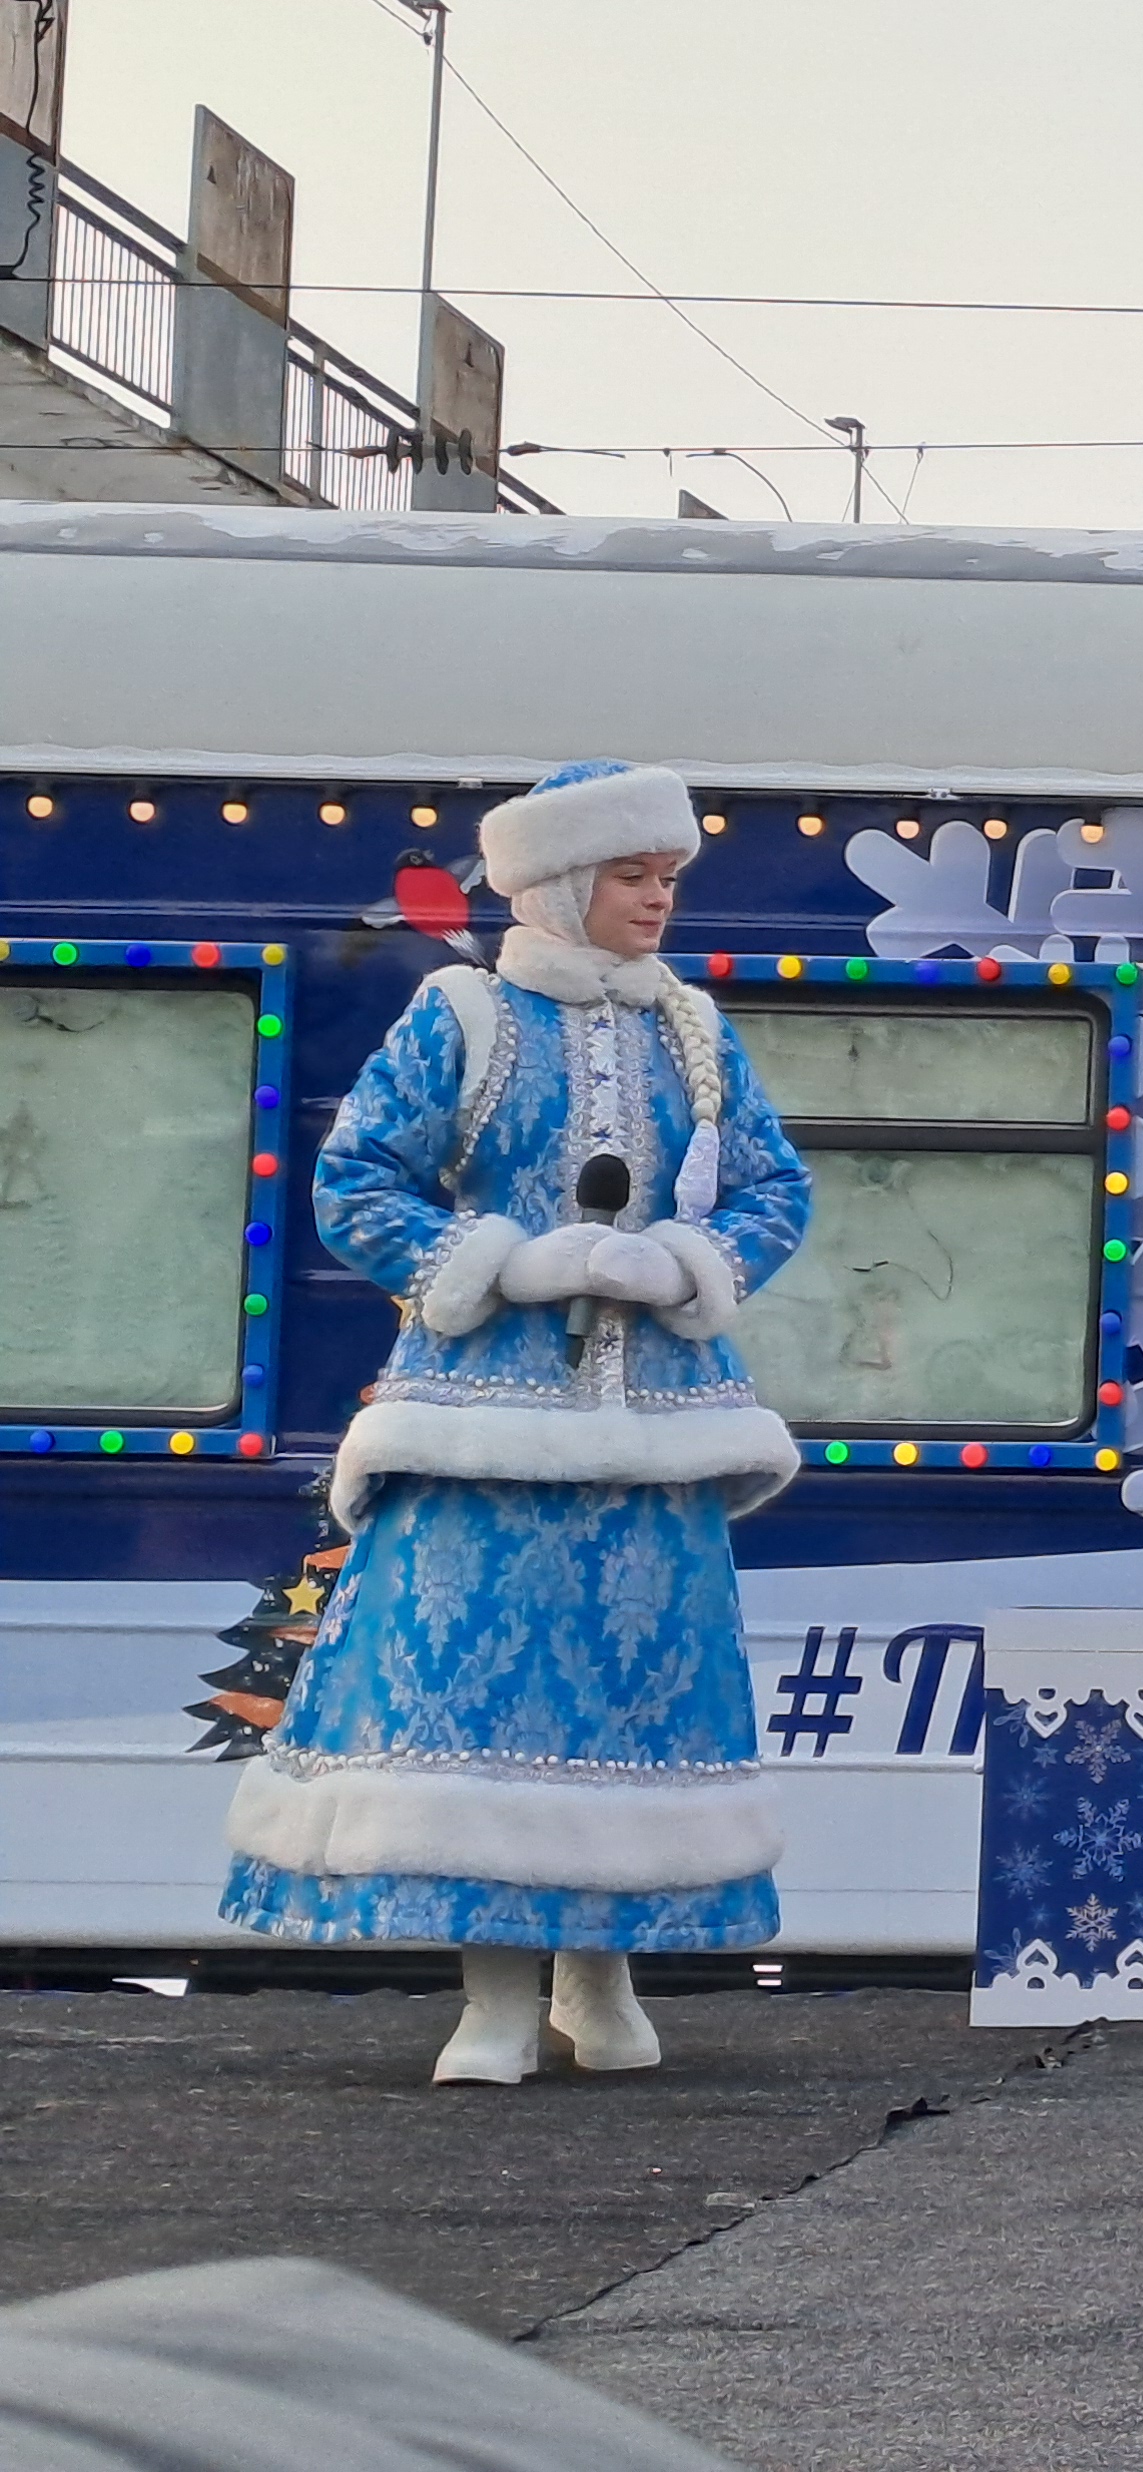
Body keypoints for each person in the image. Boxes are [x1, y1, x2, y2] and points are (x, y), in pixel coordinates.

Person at [220, 762, 812, 2086]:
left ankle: (600, 1985)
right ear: (557, 881)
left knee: (631, 1704)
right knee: (471, 1705)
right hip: (475, 1421)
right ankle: (492, 1997)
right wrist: (506, 1262)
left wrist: (683, 1263)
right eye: (633, 873)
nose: (660, 898)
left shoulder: (696, 1029)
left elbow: (775, 1189)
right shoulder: (463, 1014)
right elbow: (355, 1180)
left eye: (669, 875)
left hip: (656, 1426)